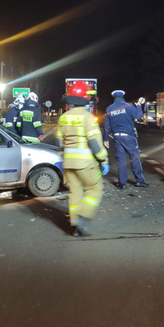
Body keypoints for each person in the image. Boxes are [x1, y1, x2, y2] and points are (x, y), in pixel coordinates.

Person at [56, 81, 109, 236]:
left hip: (68, 163)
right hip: (85, 163)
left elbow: (58, 142)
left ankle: (74, 226)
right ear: (85, 98)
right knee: (95, 189)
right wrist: (103, 160)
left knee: (75, 193)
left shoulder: (63, 118)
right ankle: (81, 216)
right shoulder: (89, 118)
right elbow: (95, 143)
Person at [103, 90, 148, 189]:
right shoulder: (128, 106)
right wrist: (138, 106)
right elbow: (138, 116)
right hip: (129, 136)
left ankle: (122, 183)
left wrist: (106, 139)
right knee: (135, 158)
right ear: (122, 97)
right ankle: (139, 181)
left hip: (117, 137)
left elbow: (106, 126)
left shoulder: (109, 109)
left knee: (121, 160)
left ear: (114, 98)